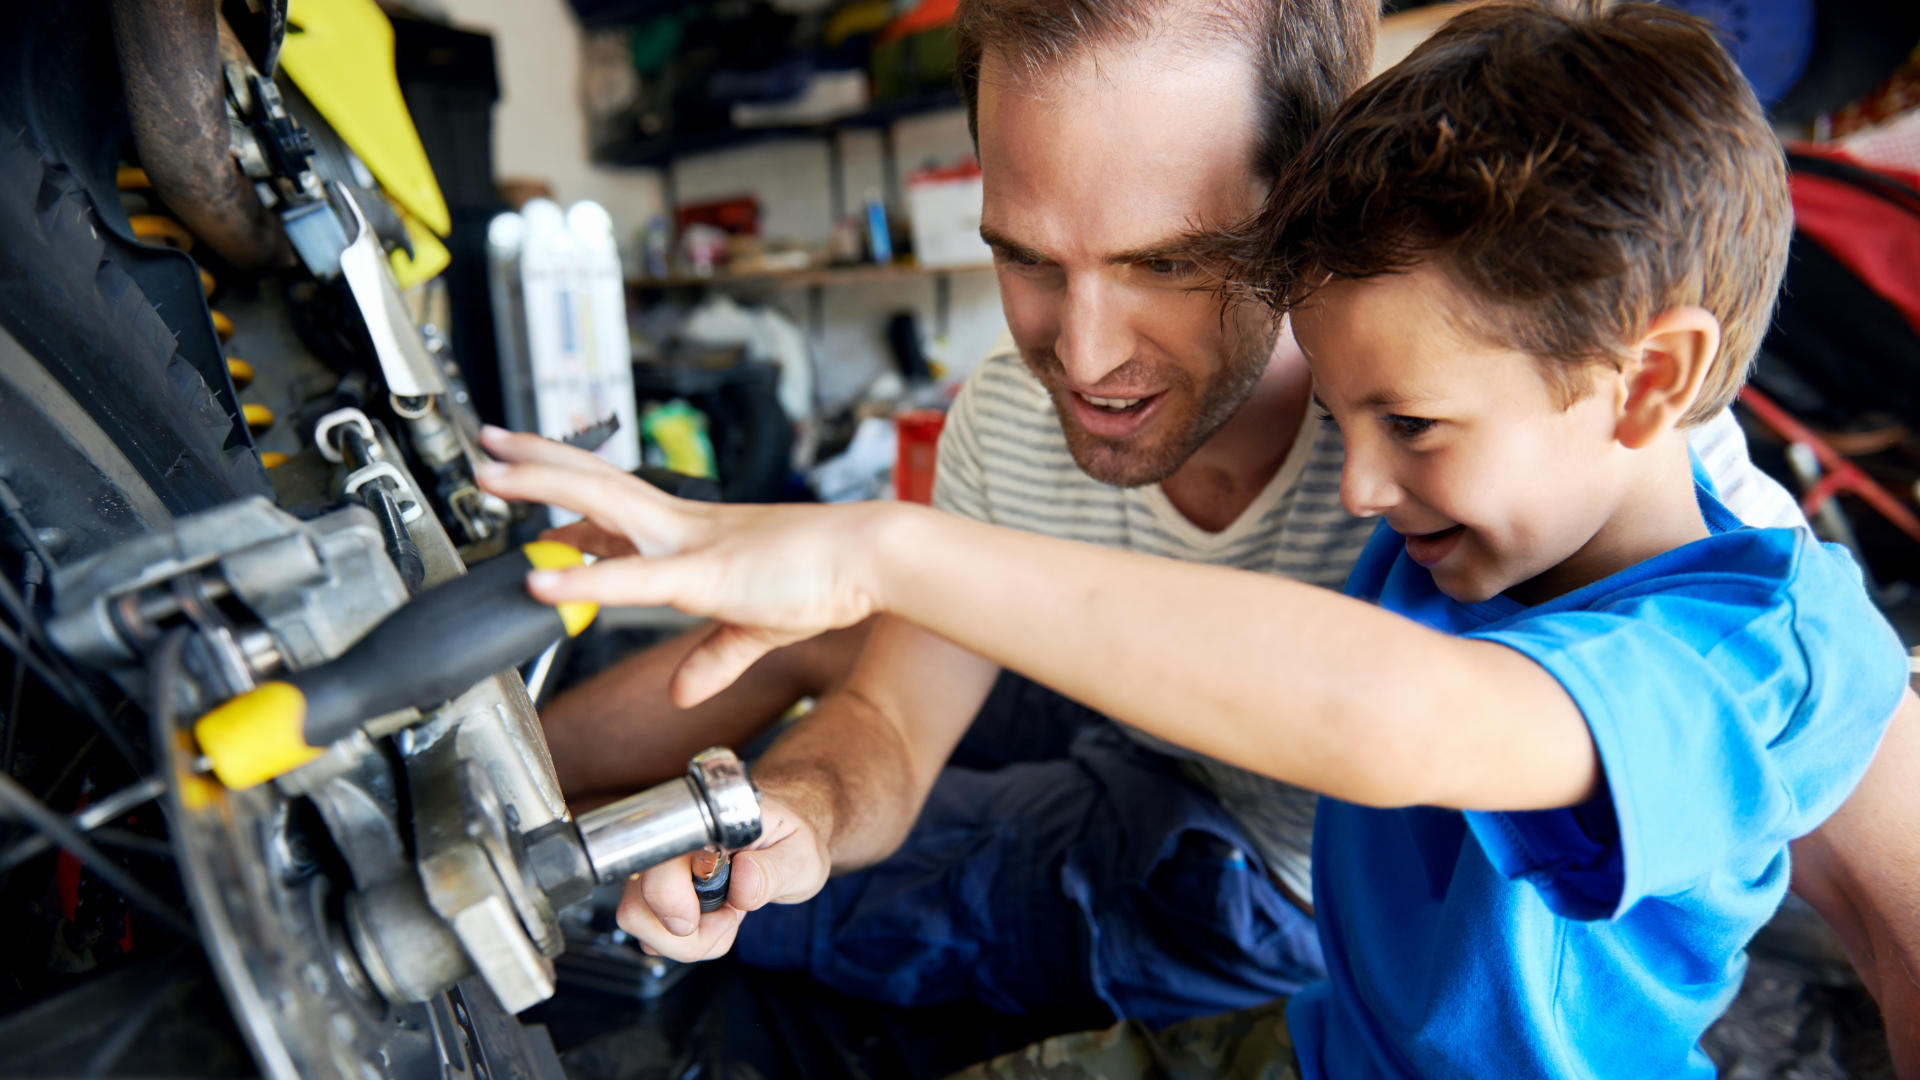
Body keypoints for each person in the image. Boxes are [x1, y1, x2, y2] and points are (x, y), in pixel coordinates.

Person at [478, 4, 1914, 1075]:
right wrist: (801, 818)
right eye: (1025, 259)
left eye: (1168, 262)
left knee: (826, 884)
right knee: (824, 664)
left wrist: (885, 548)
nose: (1079, 349)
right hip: (1322, 997)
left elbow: (1400, 708)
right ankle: (477, 780)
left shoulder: (1635, 507)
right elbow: (892, 722)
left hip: (1253, 878)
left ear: (1304, 205)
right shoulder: (1430, 472)